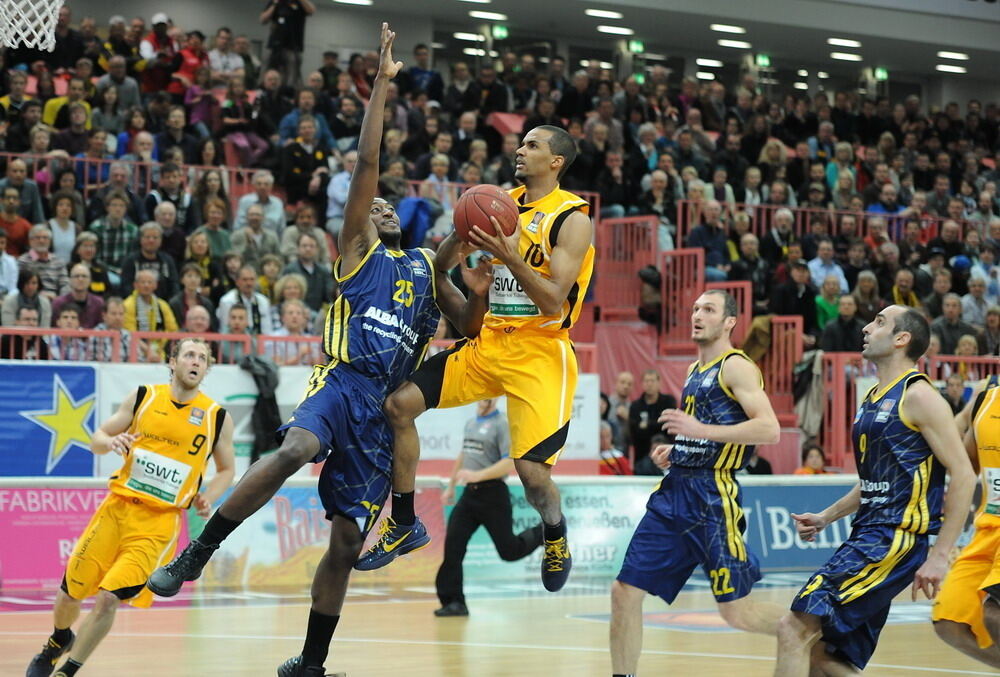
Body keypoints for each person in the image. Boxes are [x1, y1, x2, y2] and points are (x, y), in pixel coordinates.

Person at [146, 26, 487, 676]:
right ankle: (200, 550)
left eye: (392, 204)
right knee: (295, 447)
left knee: (347, 541)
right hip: (340, 385)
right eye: (373, 204)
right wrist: (383, 88)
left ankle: (312, 661)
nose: (381, 205)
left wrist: (481, 283)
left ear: (410, 221)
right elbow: (365, 168)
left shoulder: (426, 269)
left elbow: (470, 325)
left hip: (382, 412)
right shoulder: (358, 255)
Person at [366, 122, 598, 595]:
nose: (520, 149)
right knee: (398, 406)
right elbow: (444, 263)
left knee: (532, 476)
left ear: (556, 161)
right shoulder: (497, 202)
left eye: (533, 145)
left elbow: (554, 300)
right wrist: (459, 232)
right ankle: (405, 521)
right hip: (492, 341)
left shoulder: (571, 218)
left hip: (541, 352)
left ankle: (555, 533)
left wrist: (512, 259)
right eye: (522, 141)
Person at [775, 305, 976, 676]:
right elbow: (873, 481)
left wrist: (939, 555)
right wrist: (825, 517)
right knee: (825, 659)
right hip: (869, 534)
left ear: (902, 339)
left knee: (794, 626)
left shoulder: (919, 396)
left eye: (880, 322)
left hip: (893, 539)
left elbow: (963, 474)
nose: (867, 327)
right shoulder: (872, 397)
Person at [24, 337, 234, 677]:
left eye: (202, 358)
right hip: (116, 510)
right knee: (69, 593)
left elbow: (227, 470)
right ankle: (58, 640)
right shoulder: (144, 397)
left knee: (109, 598)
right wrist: (111, 441)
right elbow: (96, 440)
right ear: (173, 362)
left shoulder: (215, 416)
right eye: (189, 354)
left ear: (207, 368)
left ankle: (67, 671)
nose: (195, 361)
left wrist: (209, 494)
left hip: (159, 523)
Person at [610, 290, 783, 677]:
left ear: (729, 322)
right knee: (624, 591)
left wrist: (698, 429)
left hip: (712, 498)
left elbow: (770, 429)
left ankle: (808, 630)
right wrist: (678, 449)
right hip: (675, 493)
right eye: (695, 309)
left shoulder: (737, 366)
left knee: (736, 611)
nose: (697, 315)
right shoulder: (693, 370)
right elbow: (703, 434)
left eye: (709, 309)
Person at [434, 399, 544, 617]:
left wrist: (478, 475)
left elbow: (508, 462)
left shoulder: (501, 424)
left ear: (495, 398)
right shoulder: (471, 423)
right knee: (453, 548)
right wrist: (451, 486)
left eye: (489, 395)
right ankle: (454, 602)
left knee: (509, 551)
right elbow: (463, 455)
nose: (484, 399)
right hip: (469, 496)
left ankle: (544, 531)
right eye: (482, 395)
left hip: (493, 495)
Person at [932, 375, 1000, 668]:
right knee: (949, 622)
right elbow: (967, 462)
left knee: (994, 614)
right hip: (988, 528)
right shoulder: (986, 398)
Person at [628, 370, 678, 475]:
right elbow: (635, 432)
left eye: (652, 381)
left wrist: (646, 425)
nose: (649, 384)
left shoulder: (668, 401)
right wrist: (657, 423)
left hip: (666, 455)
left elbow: (668, 425)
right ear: (642, 384)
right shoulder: (635, 406)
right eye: (646, 381)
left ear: (659, 383)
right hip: (642, 456)